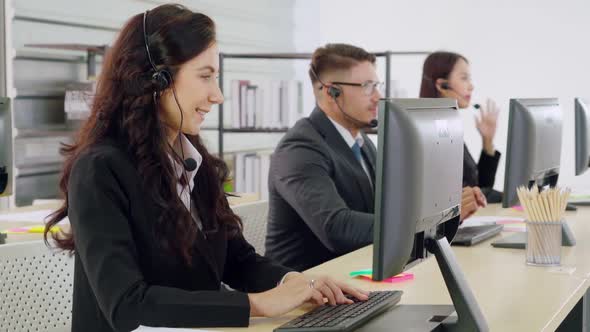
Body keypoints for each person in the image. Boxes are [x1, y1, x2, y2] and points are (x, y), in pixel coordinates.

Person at [43, 5, 367, 331]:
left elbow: (236, 260)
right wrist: (257, 304)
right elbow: (128, 305)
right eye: (205, 76)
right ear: (157, 79)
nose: (218, 95)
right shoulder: (99, 169)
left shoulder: (193, 160)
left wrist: (298, 283)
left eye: (217, 77)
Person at [265, 44, 486, 272]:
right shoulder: (300, 149)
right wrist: (420, 222)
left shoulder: (362, 142)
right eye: (367, 87)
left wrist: (444, 216)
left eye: (376, 86)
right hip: (307, 289)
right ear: (331, 92)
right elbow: (336, 227)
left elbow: (390, 207)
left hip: (354, 276)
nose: (378, 97)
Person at [420, 51, 502, 202]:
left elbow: (478, 187)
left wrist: (487, 141)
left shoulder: (447, 127)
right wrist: (510, 198)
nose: (471, 86)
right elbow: (470, 196)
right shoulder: (430, 132)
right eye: (464, 78)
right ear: (441, 84)